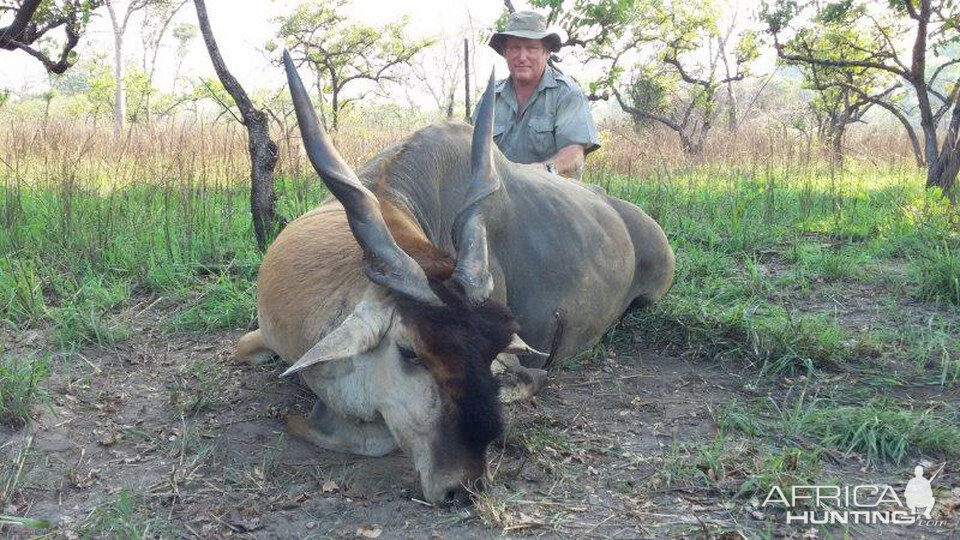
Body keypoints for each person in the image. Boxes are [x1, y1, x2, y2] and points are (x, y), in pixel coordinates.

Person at [480, 11, 600, 178]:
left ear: (546, 52)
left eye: (531, 48)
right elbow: (472, 147)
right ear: (505, 52)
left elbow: (574, 154)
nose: (522, 57)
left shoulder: (567, 94)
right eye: (515, 48)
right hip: (498, 191)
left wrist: (541, 172)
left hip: (549, 192)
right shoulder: (491, 97)